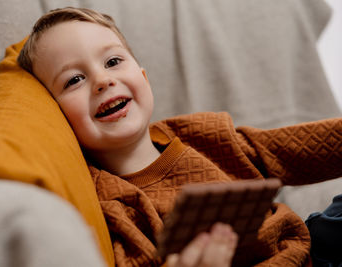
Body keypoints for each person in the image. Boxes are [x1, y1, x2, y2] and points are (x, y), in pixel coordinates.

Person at [17, 7, 342, 267]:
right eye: (74, 80)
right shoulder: (111, 203)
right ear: (55, 114)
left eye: (113, 61)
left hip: (312, 248)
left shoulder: (200, 136)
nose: (103, 80)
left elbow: (296, 148)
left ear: (143, 78)